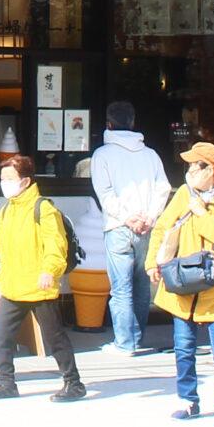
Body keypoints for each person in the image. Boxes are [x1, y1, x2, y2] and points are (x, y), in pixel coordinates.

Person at [148, 141, 214, 426]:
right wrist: (152, 262)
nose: (189, 171)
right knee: (183, 347)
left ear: (210, 170)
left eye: (195, 166)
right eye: (189, 166)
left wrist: (201, 213)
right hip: (183, 282)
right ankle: (187, 399)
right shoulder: (184, 193)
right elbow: (163, 226)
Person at [0, 153, 86, 401]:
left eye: (10, 178)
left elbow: (56, 246)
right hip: (12, 285)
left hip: (40, 285)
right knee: (1, 335)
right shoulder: (7, 210)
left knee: (55, 338)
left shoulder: (44, 208)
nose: (4, 183)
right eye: (2, 178)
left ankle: (73, 383)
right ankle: (6, 382)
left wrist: (49, 271)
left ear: (26, 181)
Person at [88, 101, 169, 357]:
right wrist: (149, 217)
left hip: (118, 227)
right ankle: (136, 339)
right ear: (133, 124)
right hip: (146, 228)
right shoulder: (150, 154)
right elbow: (163, 188)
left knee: (121, 288)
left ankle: (125, 343)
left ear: (108, 125)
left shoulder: (103, 154)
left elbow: (105, 193)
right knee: (141, 286)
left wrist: (127, 217)